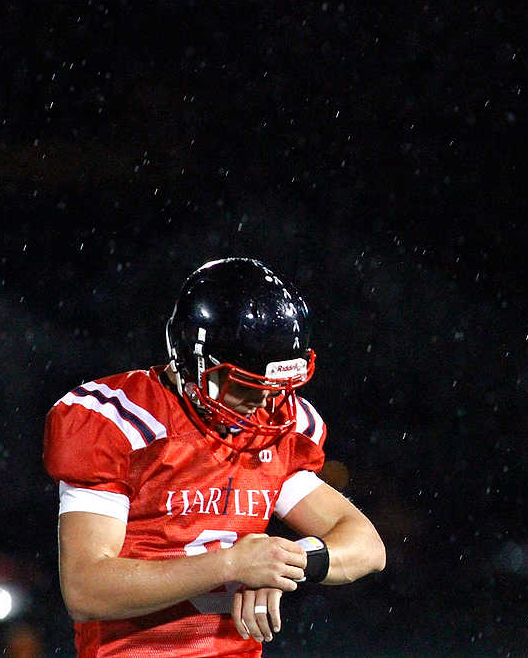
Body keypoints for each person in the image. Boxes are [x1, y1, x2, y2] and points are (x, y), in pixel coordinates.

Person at [43, 257, 385, 657]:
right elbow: (87, 588)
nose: (262, 403)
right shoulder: (122, 422)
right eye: (245, 385)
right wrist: (231, 565)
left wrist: (282, 562)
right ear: (191, 361)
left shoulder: (271, 430)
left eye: (275, 389)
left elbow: (367, 546)